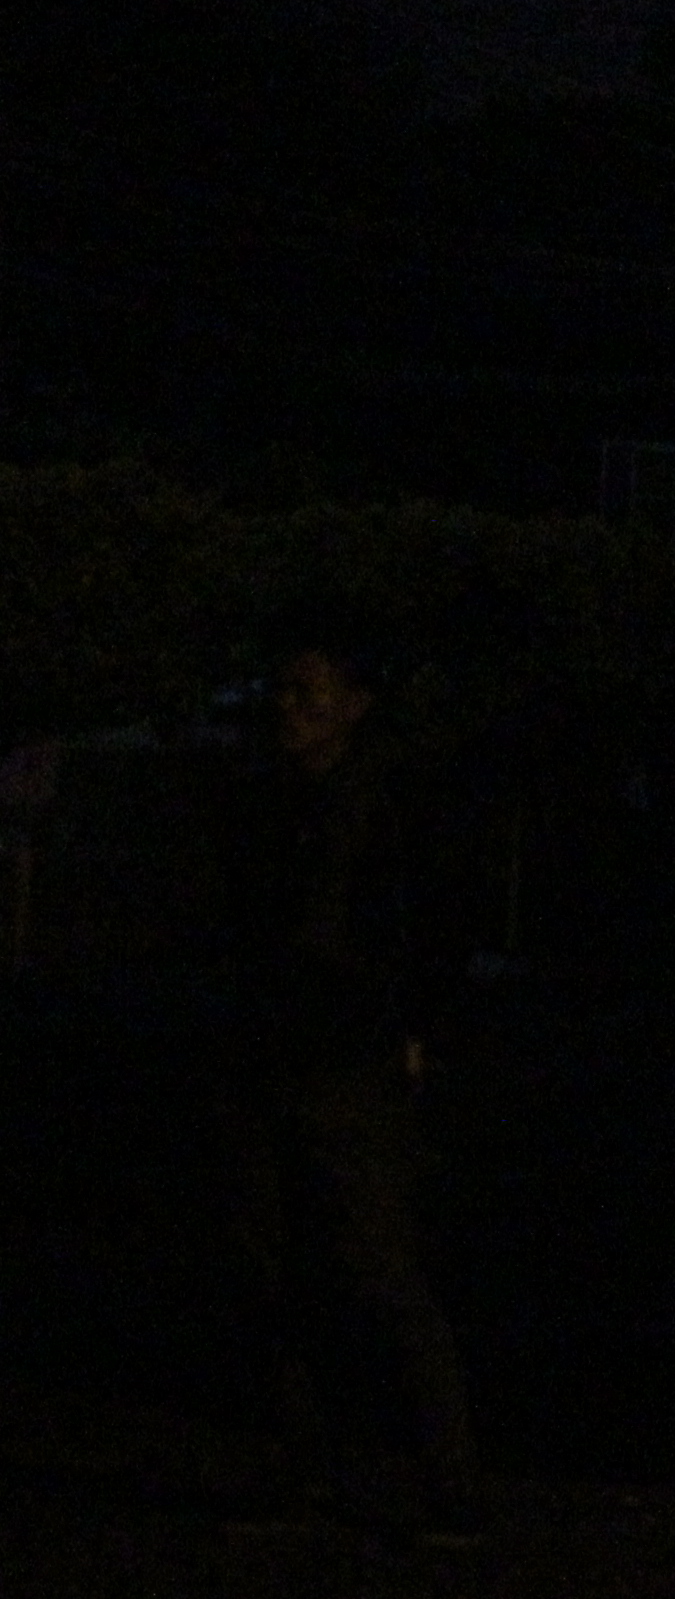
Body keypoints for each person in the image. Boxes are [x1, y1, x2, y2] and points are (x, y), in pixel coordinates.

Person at [210, 631, 485, 1545]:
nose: (289, 707)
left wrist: (414, 1032)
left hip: (348, 1059)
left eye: (307, 690)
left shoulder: (389, 803)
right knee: (268, 1267)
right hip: (274, 1053)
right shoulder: (270, 800)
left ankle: (451, 1485)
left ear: (355, 703)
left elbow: (430, 924)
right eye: (284, 689)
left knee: (378, 1270)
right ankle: (309, 1465)